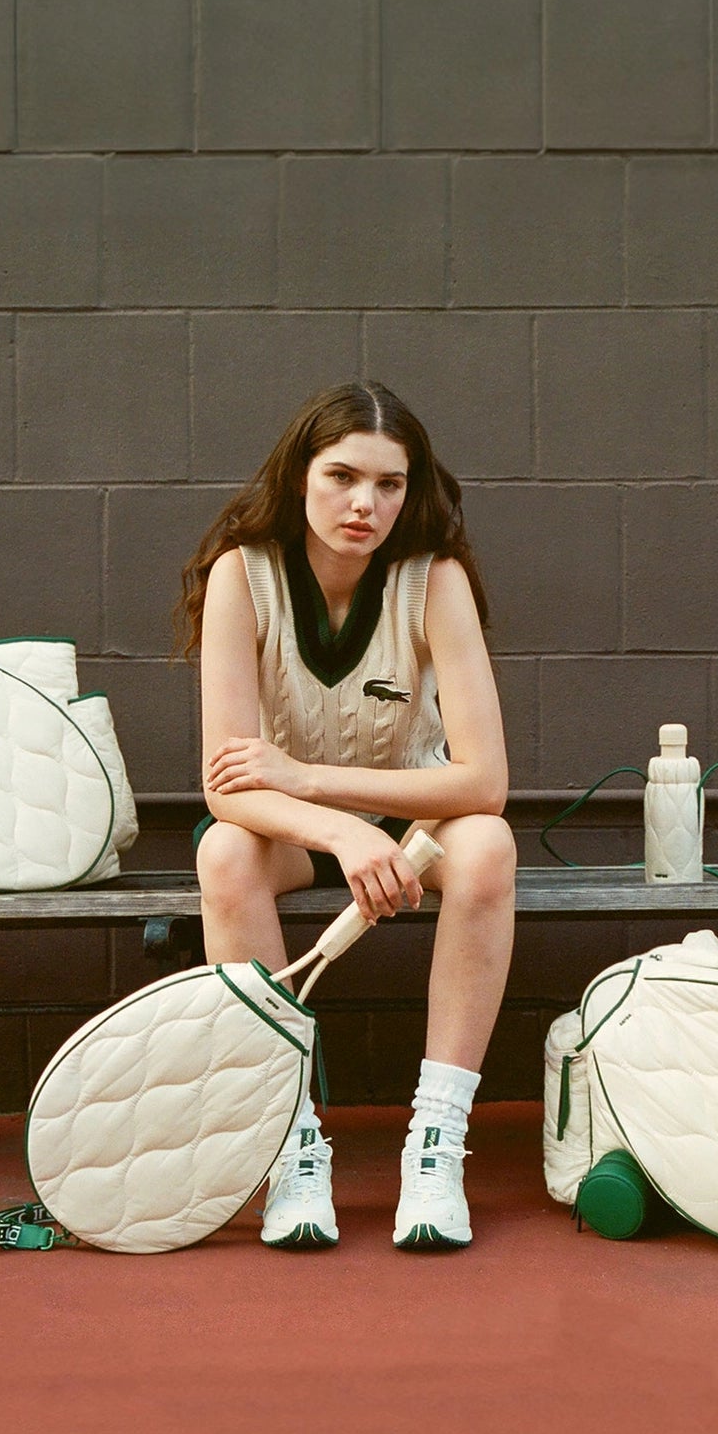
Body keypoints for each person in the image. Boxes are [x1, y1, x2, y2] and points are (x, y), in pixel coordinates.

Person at [176, 381, 516, 1251]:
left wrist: (317, 783)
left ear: (412, 491)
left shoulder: (432, 580)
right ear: (300, 476)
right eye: (341, 476)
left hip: (412, 827)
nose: (364, 503)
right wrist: (335, 828)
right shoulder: (239, 576)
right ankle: (290, 1145)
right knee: (224, 853)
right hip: (300, 836)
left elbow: (483, 781)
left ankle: (436, 1145)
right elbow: (228, 785)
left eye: (390, 485)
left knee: (487, 849)